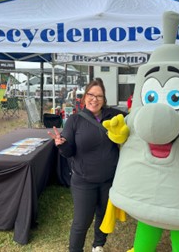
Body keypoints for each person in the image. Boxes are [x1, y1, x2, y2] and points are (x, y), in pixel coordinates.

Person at [48, 78, 126, 252]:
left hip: (108, 180)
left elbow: (134, 123)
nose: (94, 99)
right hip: (83, 181)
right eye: (91, 94)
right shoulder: (75, 120)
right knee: (81, 221)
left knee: (103, 215)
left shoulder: (114, 116)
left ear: (104, 99)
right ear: (84, 97)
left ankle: (98, 245)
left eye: (99, 96)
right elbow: (69, 152)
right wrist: (61, 144)